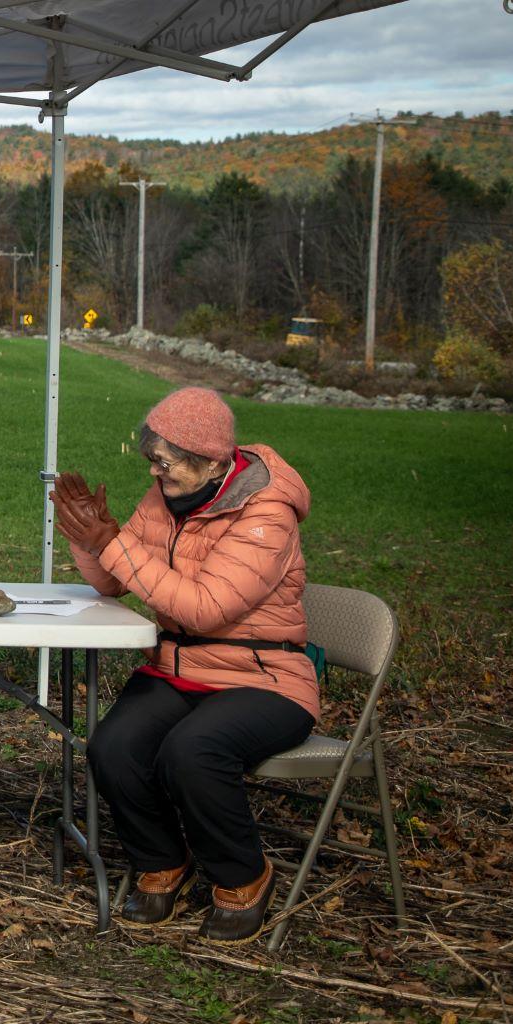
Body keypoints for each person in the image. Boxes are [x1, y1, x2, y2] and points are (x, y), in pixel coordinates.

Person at [52, 387, 315, 944]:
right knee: (113, 746)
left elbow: (204, 607)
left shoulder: (266, 515)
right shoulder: (165, 497)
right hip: (179, 669)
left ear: (214, 460)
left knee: (192, 750)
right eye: (152, 458)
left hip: (264, 677)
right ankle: (164, 860)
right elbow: (115, 581)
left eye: (167, 461)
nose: (155, 471)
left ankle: (242, 876)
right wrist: (87, 537)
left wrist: (112, 542)